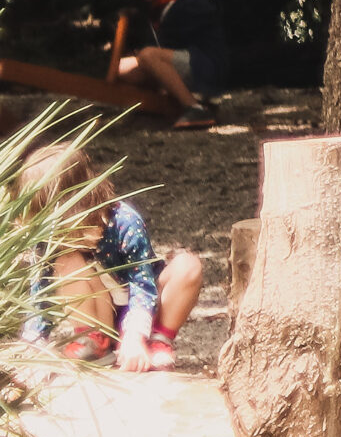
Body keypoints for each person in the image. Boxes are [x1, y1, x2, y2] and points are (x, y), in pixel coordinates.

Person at [18, 143, 204, 371]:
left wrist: (135, 335)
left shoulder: (124, 221)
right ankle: (93, 338)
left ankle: (157, 340)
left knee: (188, 265)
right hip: (102, 312)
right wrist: (33, 344)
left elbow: (141, 282)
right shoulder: (49, 237)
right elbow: (40, 292)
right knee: (67, 261)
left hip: (144, 311)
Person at [116, 0, 224, 128]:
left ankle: (195, 108)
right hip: (186, 63)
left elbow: (178, 43)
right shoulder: (161, 2)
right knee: (121, 68)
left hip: (205, 67)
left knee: (148, 55)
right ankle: (166, 101)